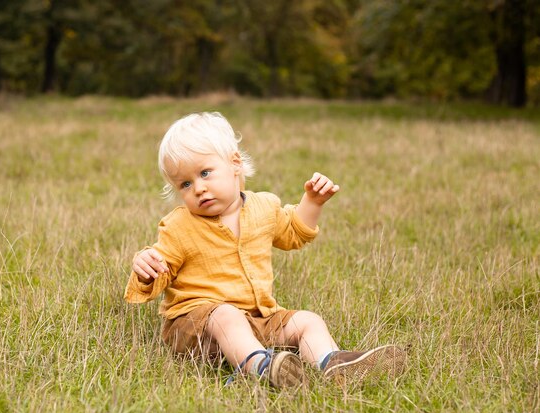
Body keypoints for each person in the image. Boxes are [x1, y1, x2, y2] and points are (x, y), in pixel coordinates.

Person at [124, 112, 406, 388]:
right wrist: (146, 269)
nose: (198, 188)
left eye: (205, 173)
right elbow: (161, 270)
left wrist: (313, 202)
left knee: (308, 321)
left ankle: (332, 364)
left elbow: (294, 232)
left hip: (259, 318)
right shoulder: (180, 225)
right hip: (197, 328)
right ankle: (260, 366)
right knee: (226, 315)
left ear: (234, 163)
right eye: (185, 184)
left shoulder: (264, 207)